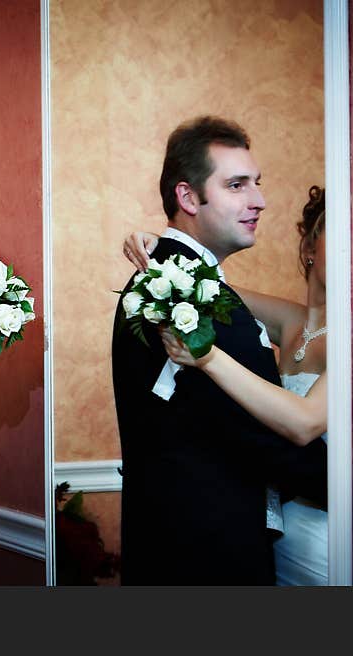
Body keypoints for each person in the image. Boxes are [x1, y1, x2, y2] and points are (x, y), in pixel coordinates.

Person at [111, 116, 327, 585]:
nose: (259, 200)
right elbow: (263, 438)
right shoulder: (193, 300)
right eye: (236, 185)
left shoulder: (170, 280)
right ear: (188, 197)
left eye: (257, 184)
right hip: (207, 555)